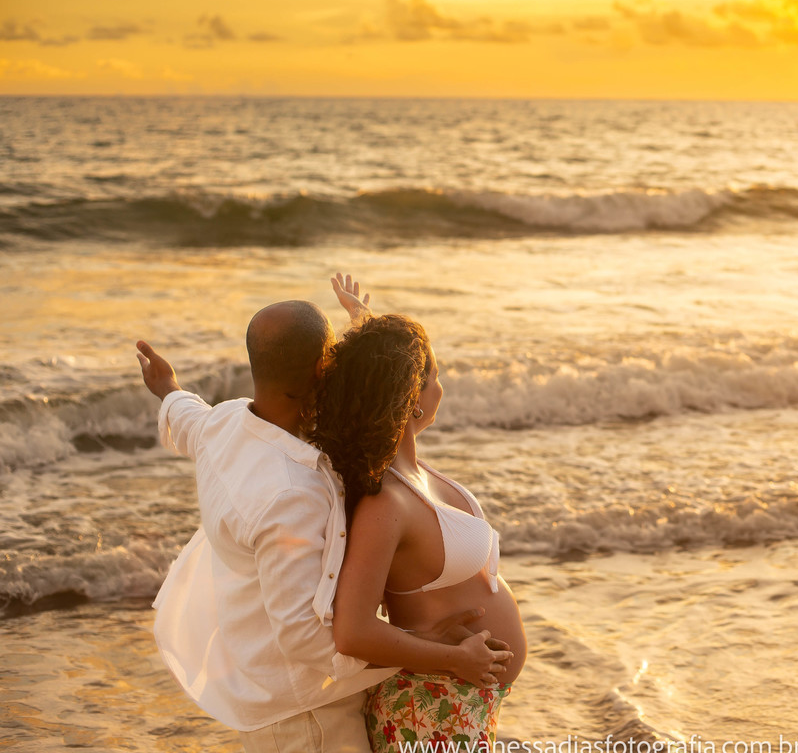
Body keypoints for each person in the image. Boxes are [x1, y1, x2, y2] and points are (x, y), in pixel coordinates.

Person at [138, 296, 510, 753]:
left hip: (276, 696)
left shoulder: (227, 421)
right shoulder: (290, 495)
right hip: (304, 717)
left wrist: (166, 386)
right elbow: (304, 638)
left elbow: (187, 415)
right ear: (322, 368)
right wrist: (432, 650)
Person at [311, 281, 527, 752]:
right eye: (434, 375)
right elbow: (352, 631)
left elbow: (380, 373)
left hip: (458, 702)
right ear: (413, 394)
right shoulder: (385, 503)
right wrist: (451, 660)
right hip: (429, 709)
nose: (441, 386)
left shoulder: (408, 470)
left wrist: (363, 325)